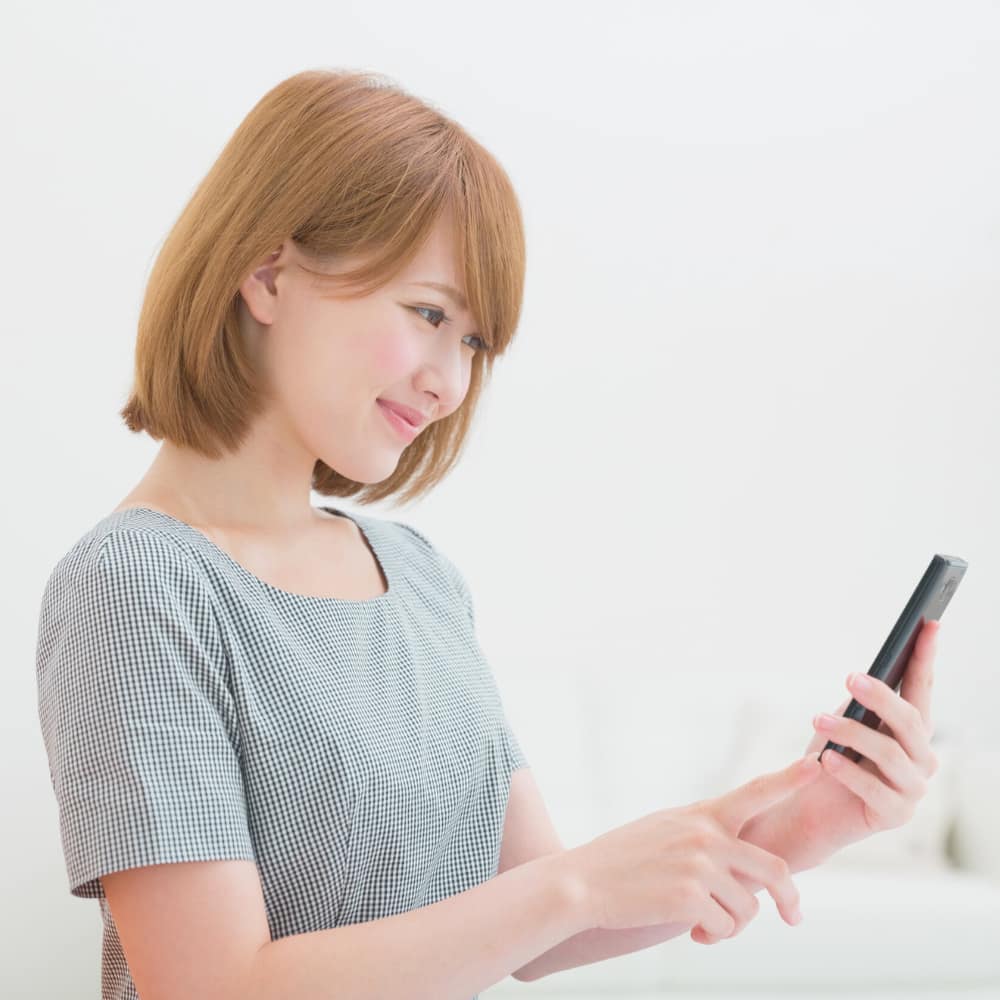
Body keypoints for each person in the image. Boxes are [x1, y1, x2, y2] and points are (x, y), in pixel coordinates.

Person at [36, 68, 942, 1000]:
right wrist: (573, 886)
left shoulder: (418, 577)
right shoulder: (136, 585)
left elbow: (536, 928)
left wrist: (809, 824)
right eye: (429, 314)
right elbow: (214, 987)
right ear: (269, 276)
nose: (450, 383)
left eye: (473, 343)